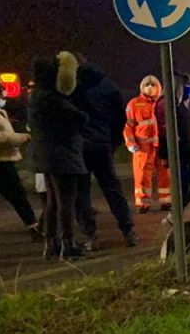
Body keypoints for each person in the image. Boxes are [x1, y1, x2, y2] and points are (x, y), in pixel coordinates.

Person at [28, 52, 89, 260]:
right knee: (66, 202)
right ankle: (67, 243)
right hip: (62, 155)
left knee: (53, 202)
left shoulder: (36, 95)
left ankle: (51, 244)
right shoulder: (52, 98)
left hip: (45, 156)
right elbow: (79, 117)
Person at [72, 57, 136, 248]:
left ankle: (90, 236)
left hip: (80, 145)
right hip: (102, 144)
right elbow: (120, 117)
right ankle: (128, 231)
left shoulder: (73, 86)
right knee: (112, 188)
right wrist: (114, 141)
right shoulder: (107, 85)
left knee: (81, 193)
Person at [0, 75, 41, 242]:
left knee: (17, 196)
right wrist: (18, 138)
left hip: (0, 160)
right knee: (17, 195)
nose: (3, 98)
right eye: (1, 95)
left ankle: (33, 228)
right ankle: (34, 228)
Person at [156, 73, 190, 208]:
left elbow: (189, 130)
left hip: (187, 152)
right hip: (180, 153)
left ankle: (176, 214)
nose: (189, 91)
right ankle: (175, 217)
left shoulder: (180, 106)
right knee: (184, 187)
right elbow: (164, 132)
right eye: (187, 86)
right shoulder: (166, 105)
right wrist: (164, 154)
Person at [124, 75, 169, 212]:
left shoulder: (163, 103)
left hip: (161, 146)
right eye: (147, 85)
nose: (150, 88)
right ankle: (143, 203)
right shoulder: (134, 103)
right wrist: (131, 143)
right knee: (142, 176)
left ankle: (167, 201)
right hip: (142, 148)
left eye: (153, 85)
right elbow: (128, 126)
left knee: (166, 174)